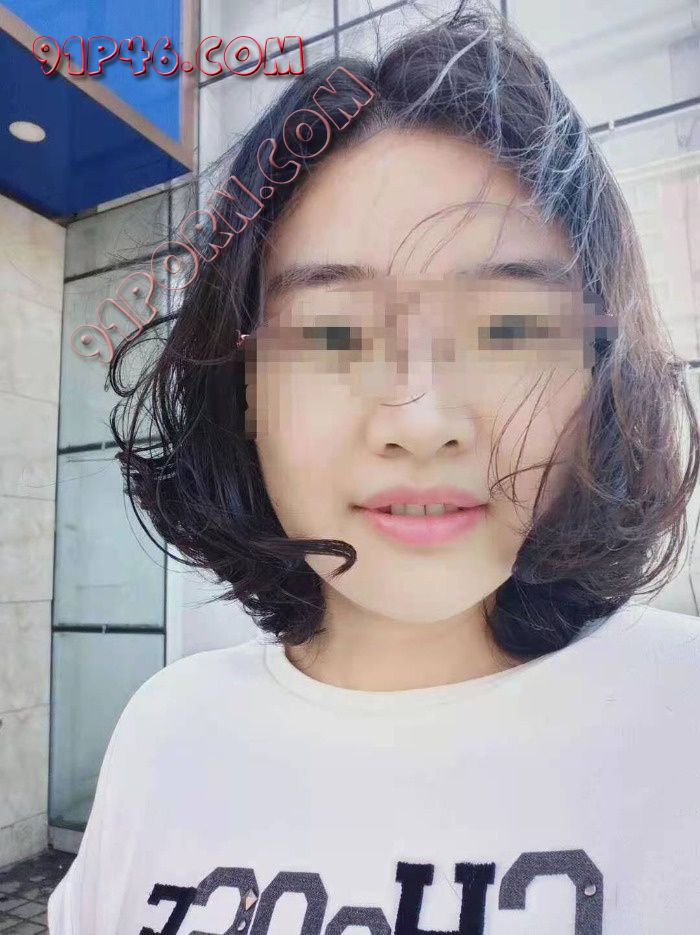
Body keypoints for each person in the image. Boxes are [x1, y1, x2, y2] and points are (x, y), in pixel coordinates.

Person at [48, 2, 700, 932]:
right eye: (333, 335)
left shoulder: (680, 724)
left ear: (597, 372)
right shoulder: (168, 733)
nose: (420, 422)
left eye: (506, 329)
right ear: (245, 389)